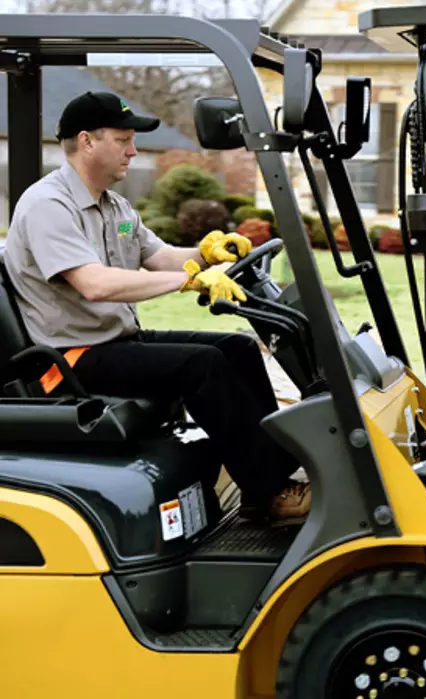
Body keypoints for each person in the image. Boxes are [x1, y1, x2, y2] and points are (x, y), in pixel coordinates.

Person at [2, 90, 310, 523]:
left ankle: (270, 483)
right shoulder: (49, 205)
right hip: (70, 357)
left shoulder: (116, 205)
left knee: (238, 349)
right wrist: (187, 279)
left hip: (112, 342)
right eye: (123, 140)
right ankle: (271, 490)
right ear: (87, 141)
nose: (133, 150)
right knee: (202, 366)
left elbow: (160, 255)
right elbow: (94, 284)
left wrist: (207, 253)